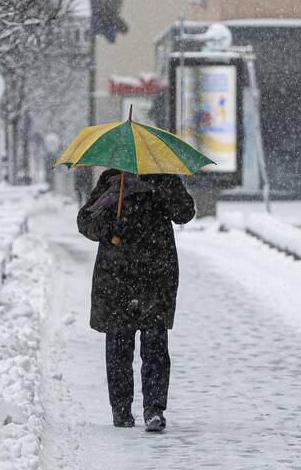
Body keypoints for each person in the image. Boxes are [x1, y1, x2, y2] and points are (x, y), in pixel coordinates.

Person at [77, 169, 195, 432]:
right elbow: (85, 220)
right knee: (119, 346)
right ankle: (121, 410)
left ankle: (154, 409)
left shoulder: (165, 178)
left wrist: (166, 191)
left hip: (155, 275)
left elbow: (185, 213)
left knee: (155, 345)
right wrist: (108, 228)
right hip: (118, 276)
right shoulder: (112, 180)